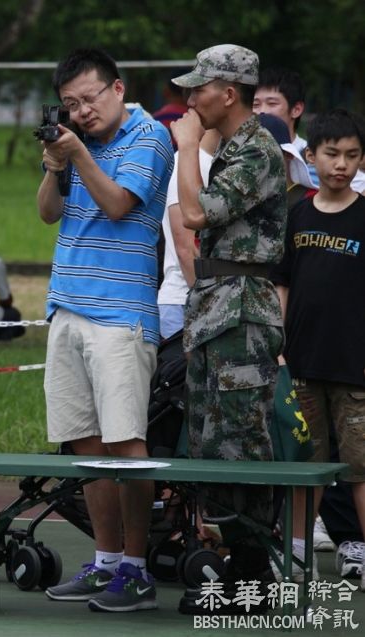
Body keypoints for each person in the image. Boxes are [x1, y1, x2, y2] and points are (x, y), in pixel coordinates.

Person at [36, 48, 173, 613]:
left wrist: (78, 157)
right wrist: (54, 163)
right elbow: (47, 213)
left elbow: (118, 204)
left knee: (126, 444)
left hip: (121, 314)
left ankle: (137, 571)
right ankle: (108, 562)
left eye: (90, 99)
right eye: (71, 104)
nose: (82, 111)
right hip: (66, 305)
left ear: (117, 89)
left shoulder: (150, 136)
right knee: (86, 445)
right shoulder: (74, 143)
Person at [171, 44, 287, 610]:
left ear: (228, 93)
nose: (190, 99)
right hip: (217, 304)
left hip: (242, 309)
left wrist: (189, 147)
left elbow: (196, 213)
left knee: (242, 442)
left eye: (199, 88)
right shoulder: (236, 146)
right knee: (212, 443)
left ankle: (254, 575)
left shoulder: (258, 150)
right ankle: (230, 569)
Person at [271, 108, 365, 593]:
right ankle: (298, 551)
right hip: (303, 365)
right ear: (310, 157)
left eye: (352, 155)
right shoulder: (297, 215)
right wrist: (281, 348)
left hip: (355, 369)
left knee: (359, 468)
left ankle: (362, 550)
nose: (341, 165)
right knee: (305, 463)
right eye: (331, 154)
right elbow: (282, 284)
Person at [157, 129, 219, 339]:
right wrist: (214, 310)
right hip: (183, 301)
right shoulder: (190, 161)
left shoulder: (215, 161)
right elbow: (185, 248)